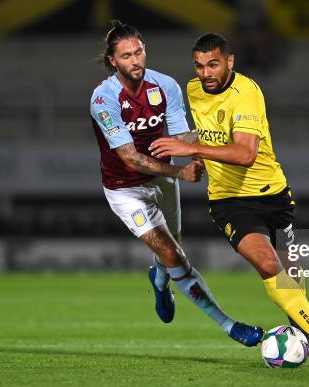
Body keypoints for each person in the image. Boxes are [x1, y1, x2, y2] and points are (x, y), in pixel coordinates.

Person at [150, 33, 309, 368]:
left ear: (229, 62)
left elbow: (246, 153)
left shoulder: (246, 93)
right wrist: (197, 159)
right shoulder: (193, 90)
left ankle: (301, 336)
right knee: (268, 265)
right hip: (230, 202)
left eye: (213, 64)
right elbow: (208, 133)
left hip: (274, 195)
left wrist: (190, 148)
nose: (205, 73)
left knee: (291, 277)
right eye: (199, 65)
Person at [90, 20, 263, 347]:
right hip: (126, 189)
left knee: (172, 254)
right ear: (113, 61)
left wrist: (210, 147)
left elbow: (181, 136)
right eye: (126, 56)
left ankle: (158, 279)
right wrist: (181, 173)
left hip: (164, 180)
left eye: (139, 51)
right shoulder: (103, 100)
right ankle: (230, 326)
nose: (135, 60)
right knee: (173, 254)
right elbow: (130, 157)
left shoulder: (165, 85)